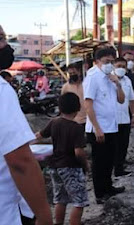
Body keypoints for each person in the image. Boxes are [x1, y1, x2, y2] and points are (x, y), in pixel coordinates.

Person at [0, 24, 53, 225]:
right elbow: (20, 161)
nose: (6, 45)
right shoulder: (2, 90)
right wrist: (44, 217)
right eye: (1, 39)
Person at [36, 93, 89, 225]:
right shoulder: (76, 128)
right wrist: (85, 165)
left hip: (54, 166)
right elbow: (78, 152)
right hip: (71, 167)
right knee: (79, 201)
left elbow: (39, 135)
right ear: (78, 108)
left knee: (60, 199)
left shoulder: (54, 122)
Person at [83, 47, 126, 204]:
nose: (110, 64)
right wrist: (97, 128)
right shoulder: (93, 77)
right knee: (99, 162)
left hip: (112, 126)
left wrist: (118, 84)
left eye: (112, 61)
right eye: (107, 62)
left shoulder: (111, 77)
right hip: (98, 129)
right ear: (97, 62)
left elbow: (121, 100)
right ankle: (100, 193)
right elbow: (88, 105)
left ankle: (108, 187)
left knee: (109, 159)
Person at [112, 58, 134, 176]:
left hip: (125, 119)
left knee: (124, 145)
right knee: (114, 146)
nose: (121, 68)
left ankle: (119, 168)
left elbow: (132, 100)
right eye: (119, 66)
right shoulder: (108, 80)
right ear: (114, 66)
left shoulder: (127, 80)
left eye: (123, 66)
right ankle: (113, 168)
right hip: (112, 120)